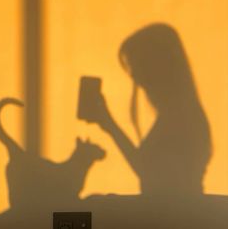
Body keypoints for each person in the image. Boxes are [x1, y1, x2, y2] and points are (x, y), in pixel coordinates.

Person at [85, 24, 212, 197]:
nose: (134, 75)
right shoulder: (179, 114)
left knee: (77, 216)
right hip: (172, 218)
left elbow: (153, 175)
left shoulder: (180, 117)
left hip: (174, 221)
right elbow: (149, 170)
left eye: (137, 64)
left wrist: (109, 125)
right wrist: (108, 124)